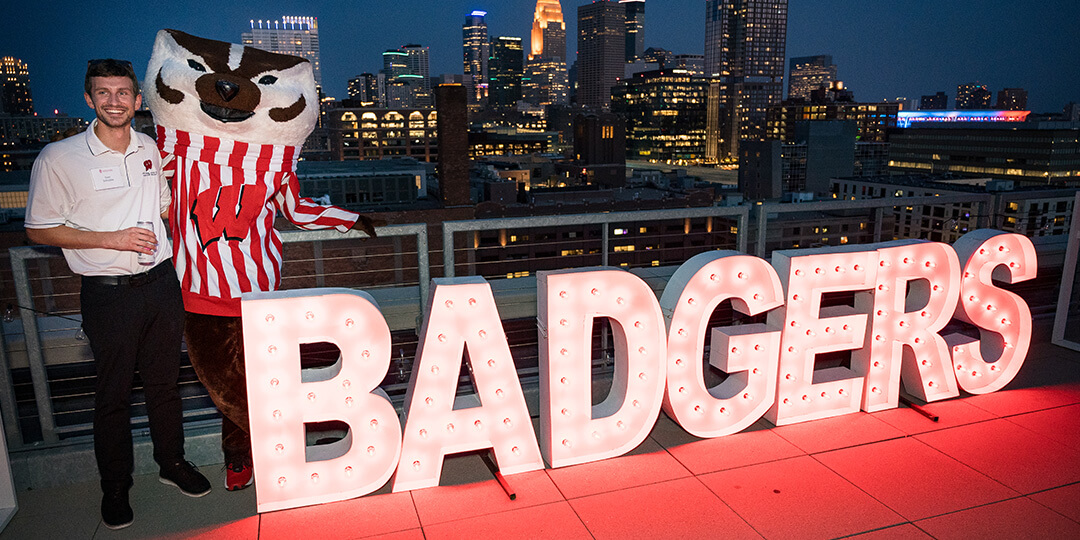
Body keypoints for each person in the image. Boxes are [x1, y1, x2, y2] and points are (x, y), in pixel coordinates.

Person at [24, 59, 211, 530]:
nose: (114, 101)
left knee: (166, 386)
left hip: (161, 286)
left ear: (137, 100)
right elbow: (38, 230)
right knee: (112, 396)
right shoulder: (59, 156)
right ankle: (115, 486)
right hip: (108, 294)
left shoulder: (149, 148)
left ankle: (172, 464)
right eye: (103, 93)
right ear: (89, 99)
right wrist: (110, 239)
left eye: (123, 93)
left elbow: (166, 204)